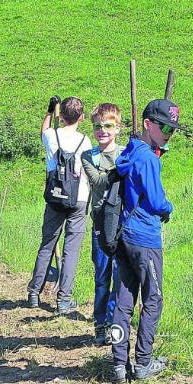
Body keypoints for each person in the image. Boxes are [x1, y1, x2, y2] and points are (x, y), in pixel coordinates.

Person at [110, 99, 181, 382]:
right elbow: (156, 200)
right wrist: (169, 208)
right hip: (145, 237)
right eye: (164, 126)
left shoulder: (130, 150)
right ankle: (143, 363)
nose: (168, 133)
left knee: (124, 298)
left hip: (124, 234)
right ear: (148, 124)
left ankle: (118, 364)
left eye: (172, 129)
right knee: (153, 298)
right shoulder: (148, 158)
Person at [27, 96, 91, 314]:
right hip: (79, 198)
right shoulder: (86, 141)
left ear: (60, 115)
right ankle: (64, 300)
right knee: (71, 250)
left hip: (55, 196)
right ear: (82, 117)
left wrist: (48, 112)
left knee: (47, 244)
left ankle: (35, 292)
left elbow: (42, 131)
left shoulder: (51, 135)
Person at [81, 103, 125, 345]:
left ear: (117, 128)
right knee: (102, 273)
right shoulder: (88, 156)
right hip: (100, 218)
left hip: (121, 219)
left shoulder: (126, 151)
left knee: (120, 275)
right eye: (97, 126)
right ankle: (100, 323)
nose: (102, 130)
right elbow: (98, 183)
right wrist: (120, 168)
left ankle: (113, 321)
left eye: (108, 126)